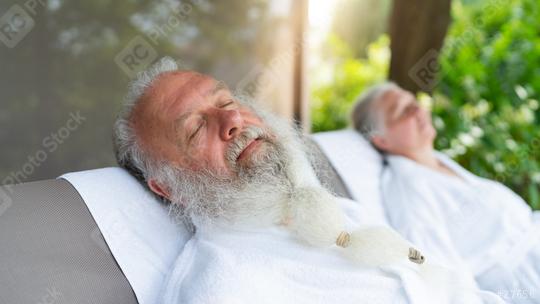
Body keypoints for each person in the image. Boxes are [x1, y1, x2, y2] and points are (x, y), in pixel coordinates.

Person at [112, 57, 505, 304]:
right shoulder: (224, 288)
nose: (232, 122)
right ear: (167, 186)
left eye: (228, 102)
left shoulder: (327, 211)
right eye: (197, 129)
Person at [352, 82, 540, 303]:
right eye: (402, 111)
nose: (417, 110)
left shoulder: (437, 162)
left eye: (414, 103)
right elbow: (439, 272)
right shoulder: (408, 191)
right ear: (381, 139)